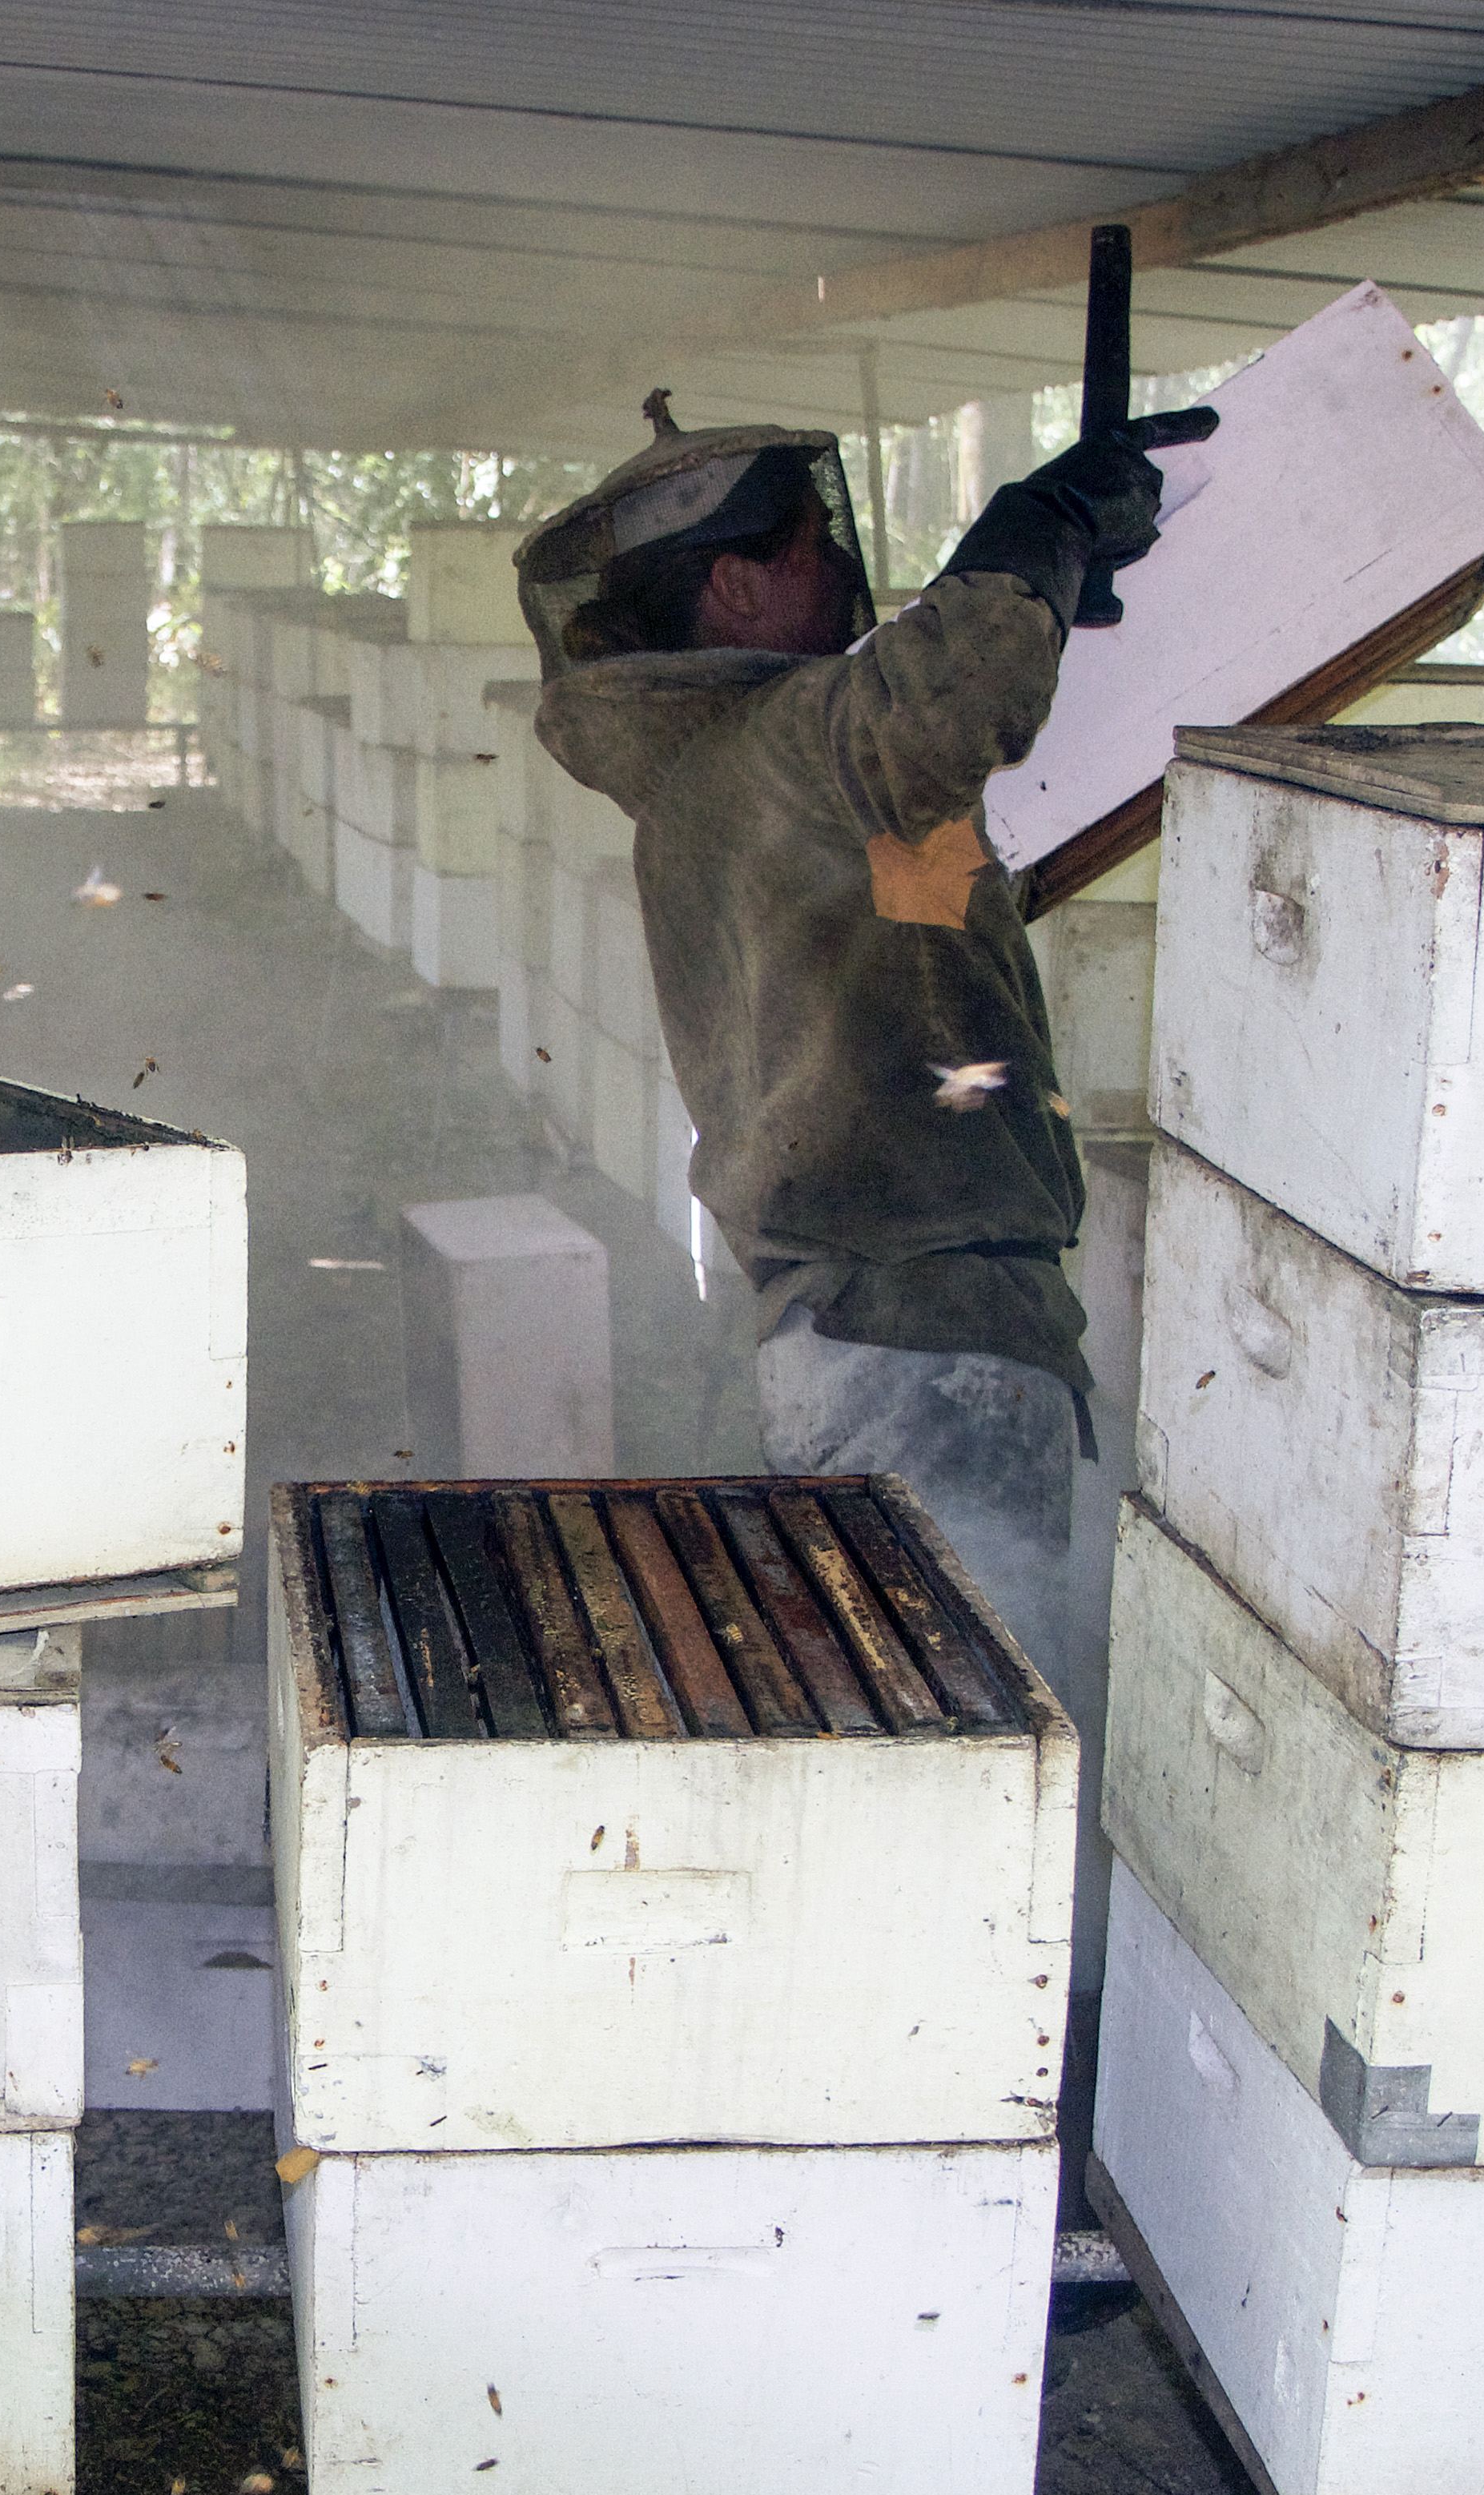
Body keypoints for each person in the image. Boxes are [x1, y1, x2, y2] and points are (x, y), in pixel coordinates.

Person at [517, 391, 1209, 1709]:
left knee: (906, 1745)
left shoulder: (714, 779)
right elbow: (947, 698)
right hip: (927, 1341)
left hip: (852, 1333)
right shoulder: (792, 749)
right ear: (733, 586)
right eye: (810, 545)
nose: (844, 567)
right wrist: (1042, 525)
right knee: (982, 1763)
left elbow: (912, 896)